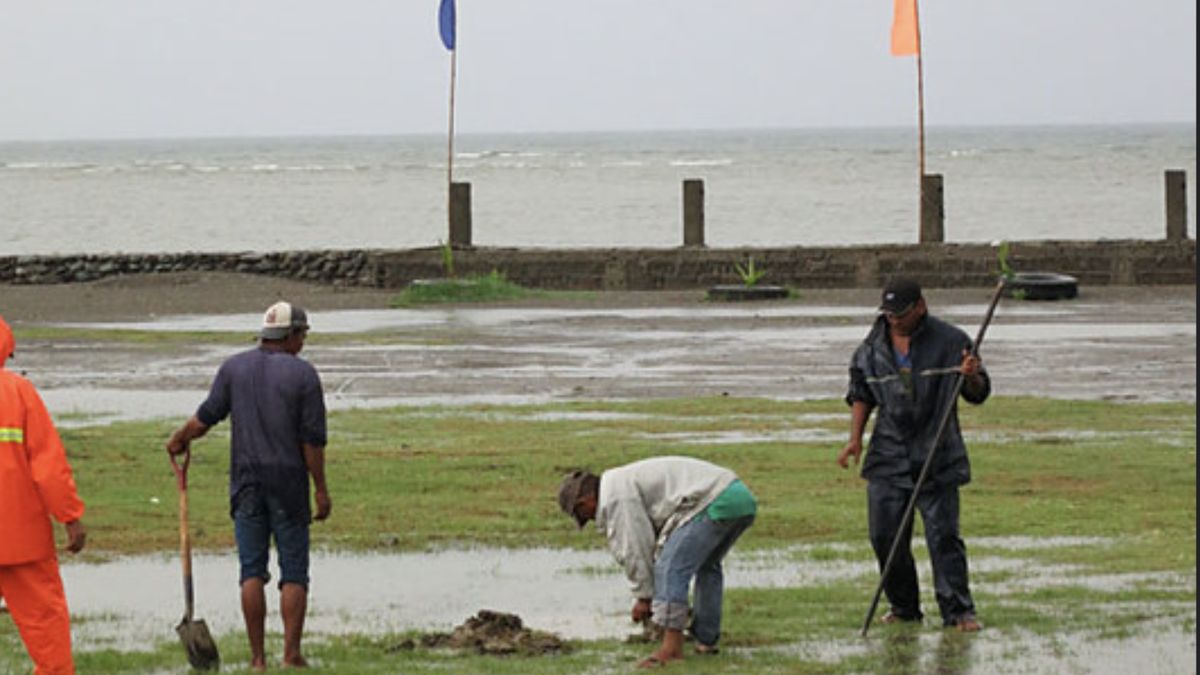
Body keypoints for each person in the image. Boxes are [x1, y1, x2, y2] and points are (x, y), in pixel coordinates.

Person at [166, 301, 331, 670]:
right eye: (302, 334)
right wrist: (320, 488)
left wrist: (179, 439)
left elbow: (205, 417)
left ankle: (258, 660)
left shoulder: (233, 369)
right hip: (288, 483)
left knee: (251, 571)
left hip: (246, 484)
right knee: (294, 572)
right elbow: (312, 442)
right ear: (290, 336)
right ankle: (291, 655)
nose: (303, 342)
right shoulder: (304, 376)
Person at [837, 278, 989, 632]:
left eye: (900, 314)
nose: (894, 320)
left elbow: (978, 393)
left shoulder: (953, 342)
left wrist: (971, 376)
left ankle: (958, 611)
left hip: (937, 451)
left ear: (920, 307)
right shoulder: (871, 348)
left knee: (943, 536)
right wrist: (854, 439)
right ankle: (904, 607)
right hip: (888, 454)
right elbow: (861, 393)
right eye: (888, 314)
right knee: (884, 536)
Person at [558, 455, 756, 668]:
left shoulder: (617, 497)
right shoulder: (621, 481)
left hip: (713, 500)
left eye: (581, 514)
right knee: (707, 567)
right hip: (739, 497)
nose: (587, 519)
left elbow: (636, 548)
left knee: (670, 568)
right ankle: (706, 641)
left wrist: (643, 597)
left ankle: (671, 649)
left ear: (586, 501)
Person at [0, 315, 88, 675]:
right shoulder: (19, 393)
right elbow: (48, 467)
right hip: (22, 540)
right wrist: (70, 517)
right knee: (49, 641)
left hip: (23, 540)